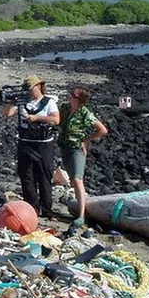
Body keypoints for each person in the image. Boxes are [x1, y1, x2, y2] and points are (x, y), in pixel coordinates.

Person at [1, 75, 60, 218]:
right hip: (25, 142)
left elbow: (56, 119)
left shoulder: (49, 102)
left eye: (30, 88)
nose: (28, 91)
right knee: (26, 176)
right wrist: (11, 101)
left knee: (44, 176)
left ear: (38, 86)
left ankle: (47, 210)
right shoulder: (22, 102)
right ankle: (32, 209)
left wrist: (37, 118)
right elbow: (7, 113)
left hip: (44, 144)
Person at [58, 86, 107, 229]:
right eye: (71, 94)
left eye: (73, 96)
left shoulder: (85, 113)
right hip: (64, 147)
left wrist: (86, 141)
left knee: (77, 179)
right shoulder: (65, 108)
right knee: (72, 179)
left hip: (76, 149)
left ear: (79, 100)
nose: (70, 97)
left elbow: (102, 130)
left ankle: (81, 216)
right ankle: (79, 211)